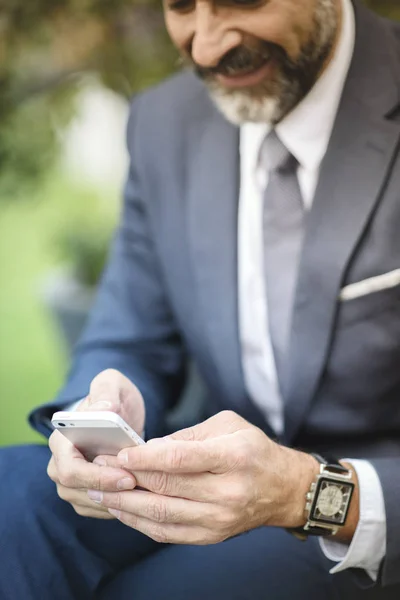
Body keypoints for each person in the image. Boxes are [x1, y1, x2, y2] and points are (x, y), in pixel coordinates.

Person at [1, 0, 400, 598]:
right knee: (12, 498)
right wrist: (106, 404)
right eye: (182, 6)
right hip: (197, 474)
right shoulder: (164, 122)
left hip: (360, 520)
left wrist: (302, 491)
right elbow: (126, 333)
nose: (207, 48)